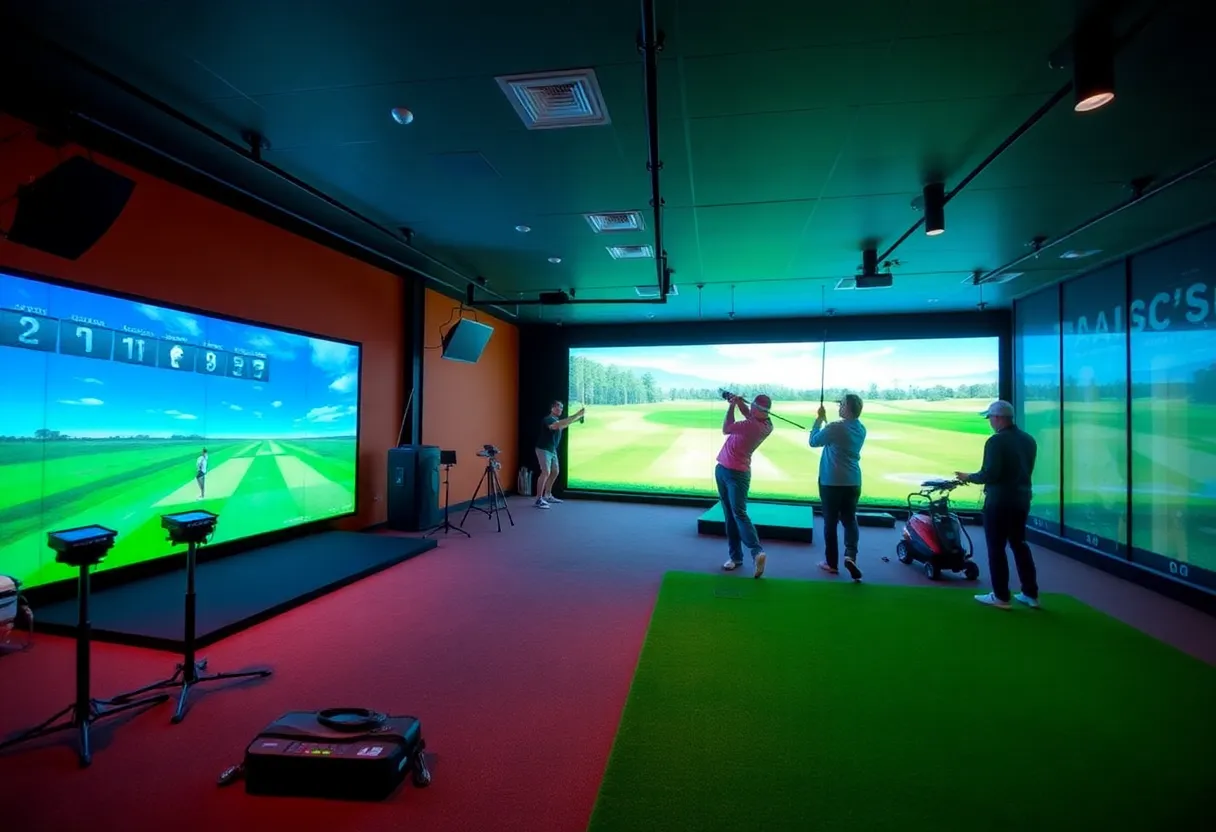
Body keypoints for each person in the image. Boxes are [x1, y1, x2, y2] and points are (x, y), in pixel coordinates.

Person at [955, 399, 1040, 610]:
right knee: (1020, 545)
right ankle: (1030, 593)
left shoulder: (995, 442)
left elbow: (990, 474)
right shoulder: (1029, 440)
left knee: (996, 548)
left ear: (999, 418)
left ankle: (1001, 596)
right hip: (1021, 500)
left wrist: (968, 477)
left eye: (991, 418)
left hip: (999, 502)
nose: (990, 422)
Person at [809, 393, 867, 581]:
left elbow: (814, 441)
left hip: (831, 482)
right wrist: (827, 423)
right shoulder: (861, 429)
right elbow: (837, 437)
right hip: (853, 481)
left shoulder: (835, 427)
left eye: (842, 404)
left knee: (830, 522)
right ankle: (851, 555)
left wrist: (818, 420)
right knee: (850, 519)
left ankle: (831, 564)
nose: (839, 407)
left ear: (848, 408)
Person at [716, 393, 775, 578]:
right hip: (735, 472)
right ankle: (737, 557)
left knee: (736, 515)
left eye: (752, 407)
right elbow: (750, 413)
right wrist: (740, 403)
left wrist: (732, 405)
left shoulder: (750, 425)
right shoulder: (767, 424)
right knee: (736, 515)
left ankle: (756, 551)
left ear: (757, 409)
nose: (750, 409)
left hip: (731, 473)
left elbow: (726, 428)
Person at [534, 400, 585, 509]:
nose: (560, 410)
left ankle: (547, 495)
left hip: (552, 450)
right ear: (552, 408)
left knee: (555, 471)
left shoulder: (557, 420)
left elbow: (564, 424)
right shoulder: (548, 419)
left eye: (561, 408)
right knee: (546, 472)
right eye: (558, 407)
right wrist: (577, 414)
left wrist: (577, 418)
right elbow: (556, 426)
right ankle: (539, 499)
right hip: (543, 449)